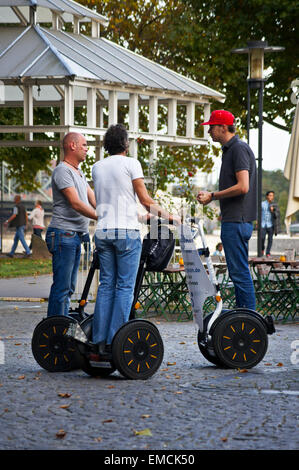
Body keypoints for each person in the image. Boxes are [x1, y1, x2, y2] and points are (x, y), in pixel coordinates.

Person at [91, 123, 181, 356]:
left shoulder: (97, 167)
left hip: (103, 231)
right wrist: (170, 216)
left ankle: (98, 341)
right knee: (124, 287)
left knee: (106, 286)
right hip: (126, 233)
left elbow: (115, 197)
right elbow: (144, 198)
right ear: (125, 144)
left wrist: (141, 214)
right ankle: (115, 342)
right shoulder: (132, 163)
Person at [197, 109, 257, 311]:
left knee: (239, 273)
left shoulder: (238, 149)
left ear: (223, 127)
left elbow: (243, 186)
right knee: (238, 272)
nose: (209, 132)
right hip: (236, 220)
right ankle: (245, 318)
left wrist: (213, 195)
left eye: (211, 127)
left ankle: (249, 320)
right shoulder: (231, 150)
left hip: (237, 222)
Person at [46, 132, 97, 317]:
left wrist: (111, 214)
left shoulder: (79, 173)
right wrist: (101, 217)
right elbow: (75, 203)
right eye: (84, 145)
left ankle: (61, 326)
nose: (87, 148)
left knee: (69, 288)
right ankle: (54, 332)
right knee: (62, 287)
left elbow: (93, 200)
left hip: (75, 235)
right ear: (72, 146)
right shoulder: (62, 170)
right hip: (63, 234)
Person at [261, 190, 280, 257]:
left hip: (271, 225)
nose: (271, 197)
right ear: (267, 196)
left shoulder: (275, 205)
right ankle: (262, 249)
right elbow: (259, 213)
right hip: (263, 224)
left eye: (272, 196)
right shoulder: (262, 204)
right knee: (262, 238)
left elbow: (277, 215)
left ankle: (268, 252)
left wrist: (273, 211)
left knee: (270, 239)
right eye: (270, 195)